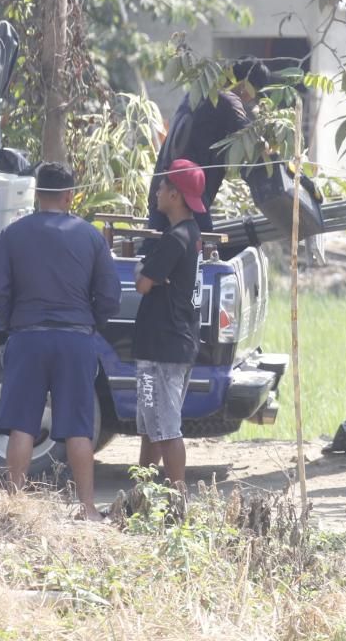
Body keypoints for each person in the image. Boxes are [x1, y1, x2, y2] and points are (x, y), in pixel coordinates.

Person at [0, 162, 121, 521]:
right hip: (75, 341)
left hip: (27, 338)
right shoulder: (90, 236)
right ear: (69, 196)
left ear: (37, 196)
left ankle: (14, 507)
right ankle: (88, 509)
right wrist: (89, 324)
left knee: (22, 424)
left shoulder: (14, 234)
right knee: (77, 426)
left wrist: (12, 322)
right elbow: (109, 295)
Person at [133, 159, 207, 489]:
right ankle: (142, 494)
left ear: (175, 195)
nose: (158, 192)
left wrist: (142, 269)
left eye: (163, 187)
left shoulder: (175, 238)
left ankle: (179, 501)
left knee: (165, 426)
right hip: (171, 342)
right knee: (152, 426)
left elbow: (143, 283)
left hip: (163, 347)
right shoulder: (191, 235)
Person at [145, 56, 269, 239]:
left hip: (160, 191)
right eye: (254, 94)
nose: (251, 101)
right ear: (245, 85)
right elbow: (255, 145)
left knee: (155, 254)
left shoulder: (197, 92)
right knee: (201, 252)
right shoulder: (229, 101)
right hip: (185, 199)